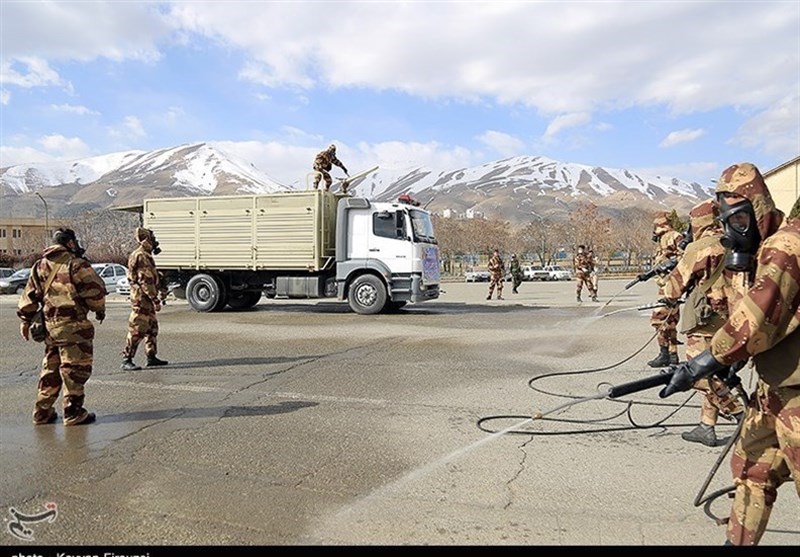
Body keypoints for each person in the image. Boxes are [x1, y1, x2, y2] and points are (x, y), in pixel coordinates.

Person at [659, 163, 797, 546]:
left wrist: (704, 362)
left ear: (759, 207)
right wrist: (732, 361)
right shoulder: (761, 250)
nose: (734, 228)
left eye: (740, 216)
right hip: (777, 389)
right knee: (752, 471)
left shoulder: (787, 245)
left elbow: (755, 320)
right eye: (726, 218)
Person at [660, 198, 744, 446]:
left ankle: (742, 415)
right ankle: (706, 426)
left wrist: (667, 283)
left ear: (698, 222)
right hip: (734, 322)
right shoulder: (736, 242)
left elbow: (673, 289)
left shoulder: (700, 247)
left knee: (699, 374)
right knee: (715, 372)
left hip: (705, 323)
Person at [16, 228, 106, 426]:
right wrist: (99, 310)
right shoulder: (77, 265)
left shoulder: (40, 266)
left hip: (51, 327)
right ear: (70, 243)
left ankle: (41, 413)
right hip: (74, 328)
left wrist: (25, 320)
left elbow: (29, 296)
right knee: (74, 370)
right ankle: (73, 412)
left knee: (51, 369)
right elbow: (95, 293)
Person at [121, 227, 168, 371]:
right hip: (142, 299)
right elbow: (145, 280)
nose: (154, 242)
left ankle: (151, 356)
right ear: (146, 239)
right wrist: (155, 299)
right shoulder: (141, 255)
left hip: (146, 299)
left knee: (152, 329)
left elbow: (152, 277)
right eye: (152, 239)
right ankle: (127, 359)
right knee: (137, 329)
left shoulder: (146, 255)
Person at [647, 211, 684, 367]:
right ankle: (672, 354)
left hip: (671, 286)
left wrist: (669, 266)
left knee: (659, 319)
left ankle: (664, 354)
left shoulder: (674, 236)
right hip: (666, 285)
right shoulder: (664, 239)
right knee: (670, 321)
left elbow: (684, 257)